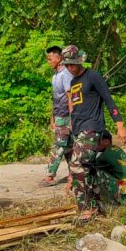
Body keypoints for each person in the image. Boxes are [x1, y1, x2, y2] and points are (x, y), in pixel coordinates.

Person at [61, 45, 126, 222]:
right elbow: (75, 110)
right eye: (66, 65)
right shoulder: (74, 83)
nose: (69, 68)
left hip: (92, 128)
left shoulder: (93, 76)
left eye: (72, 64)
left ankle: (86, 208)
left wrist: (120, 126)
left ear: (79, 61)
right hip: (78, 130)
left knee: (77, 165)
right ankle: (98, 207)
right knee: (87, 168)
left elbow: (109, 100)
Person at [42, 45, 73, 187]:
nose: (48, 61)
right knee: (67, 147)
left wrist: (73, 118)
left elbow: (70, 97)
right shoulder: (55, 76)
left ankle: (50, 175)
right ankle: (73, 174)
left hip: (66, 115)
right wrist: (52, 118)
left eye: (50, 59)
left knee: (59, 146)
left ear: (59, 58)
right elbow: (55, 98)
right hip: (59, 115)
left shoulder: (65, 74)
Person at [93, 130, 126, 207]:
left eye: (97, 141)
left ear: (106, 141)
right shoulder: (116, 148)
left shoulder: (103, 157)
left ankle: (108, 203)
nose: (94, 144)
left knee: (92, 172)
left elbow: (87, 166)